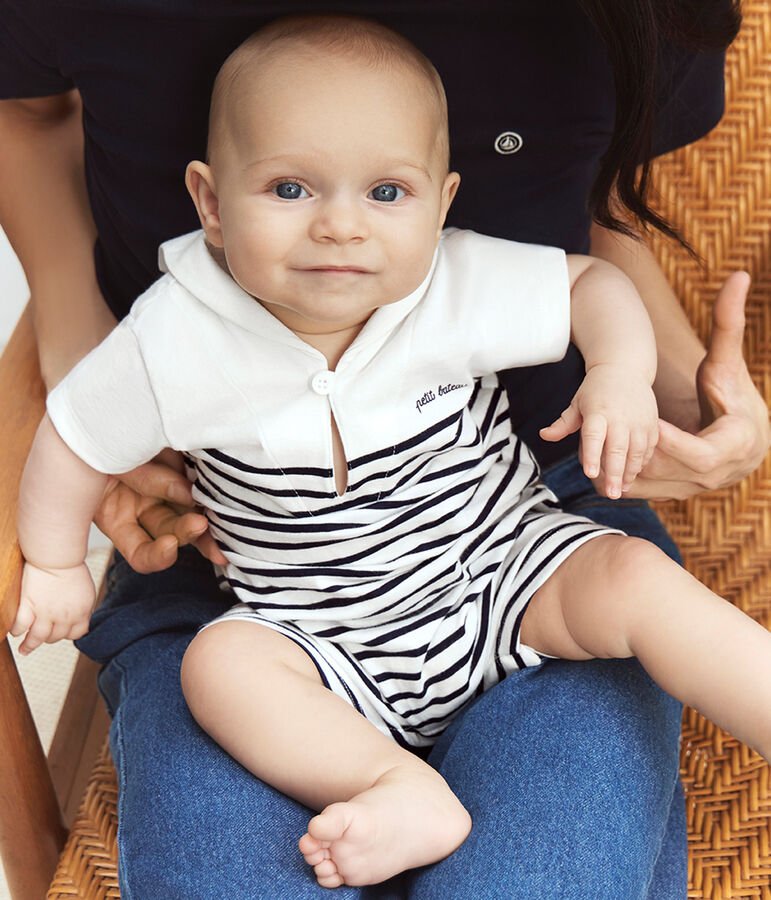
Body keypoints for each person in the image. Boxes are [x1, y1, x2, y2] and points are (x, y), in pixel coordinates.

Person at [1, 0, 767, 897]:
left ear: (440, 199)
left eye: (386, 194)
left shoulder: (452, 278)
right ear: (208, 201)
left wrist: (625, 378)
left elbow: (592, 282)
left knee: (633, 580)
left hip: (501, 566)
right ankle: (391, 784)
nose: (341, 226)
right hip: (307, 627)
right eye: (290, 191)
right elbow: (75, 437)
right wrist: (55, 564)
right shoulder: (174, 330)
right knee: (222, 667)